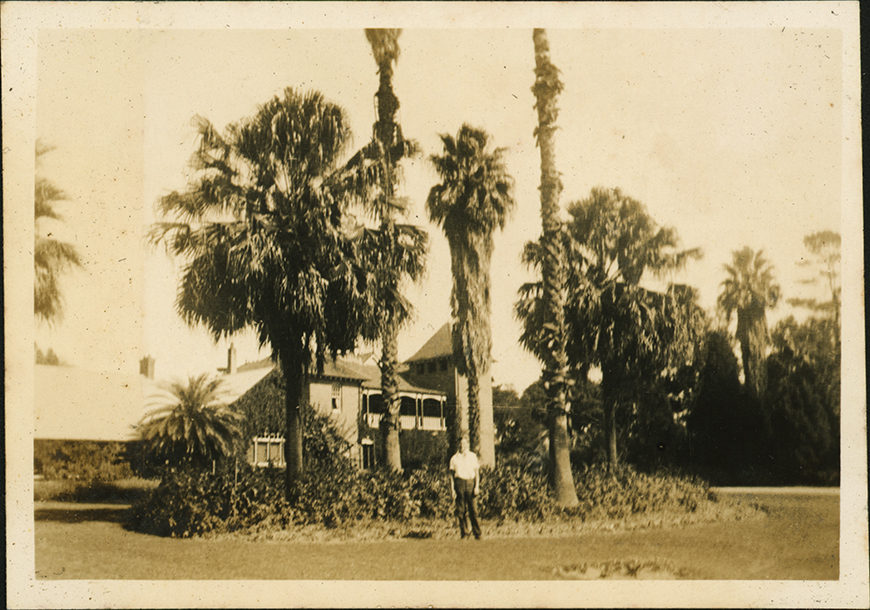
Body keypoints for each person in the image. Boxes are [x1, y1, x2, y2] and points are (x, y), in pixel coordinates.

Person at [448, 437, 482, 540]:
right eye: (461, 444)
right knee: (461, 511)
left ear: (467, 444)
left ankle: (477, 533)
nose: (462, 445)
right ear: (459, 445)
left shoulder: (472, 456)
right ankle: (464, 533)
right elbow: (451, 475)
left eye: (464, 443)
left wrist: (476, 486)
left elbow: (476, 473)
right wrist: (452, 489)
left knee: (473, 510)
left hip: (470, 484)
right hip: (459, 484)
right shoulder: (454, 458)